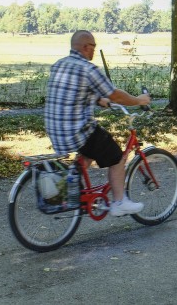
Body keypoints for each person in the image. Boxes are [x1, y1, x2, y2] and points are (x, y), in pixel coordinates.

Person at [44, 30, 151, 216]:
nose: (94, 51)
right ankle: (119, 203)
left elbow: (73, 93)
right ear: (86, 47)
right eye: (93, 46)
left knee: (93, 148)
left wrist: (97, 100)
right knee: (116, 156)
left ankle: (71, 188)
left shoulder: (59, 65)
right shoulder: (88, 69)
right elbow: (116, 95)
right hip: (76, 132)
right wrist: (139, 100)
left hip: (55, 131)